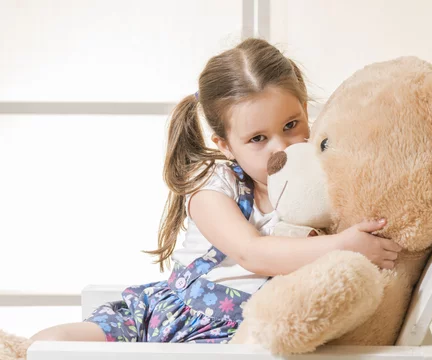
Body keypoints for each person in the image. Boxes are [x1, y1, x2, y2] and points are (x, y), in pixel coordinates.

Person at [30, 38, 402, 344]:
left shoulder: (323, 178)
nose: (281, 147)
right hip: (173, 320)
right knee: (55, 341)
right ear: (226, 146)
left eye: (291, 125)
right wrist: (343, 245)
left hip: (247, 336)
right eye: (257, 138)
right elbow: (251, 252)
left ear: (306, 111)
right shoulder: (215, 183)